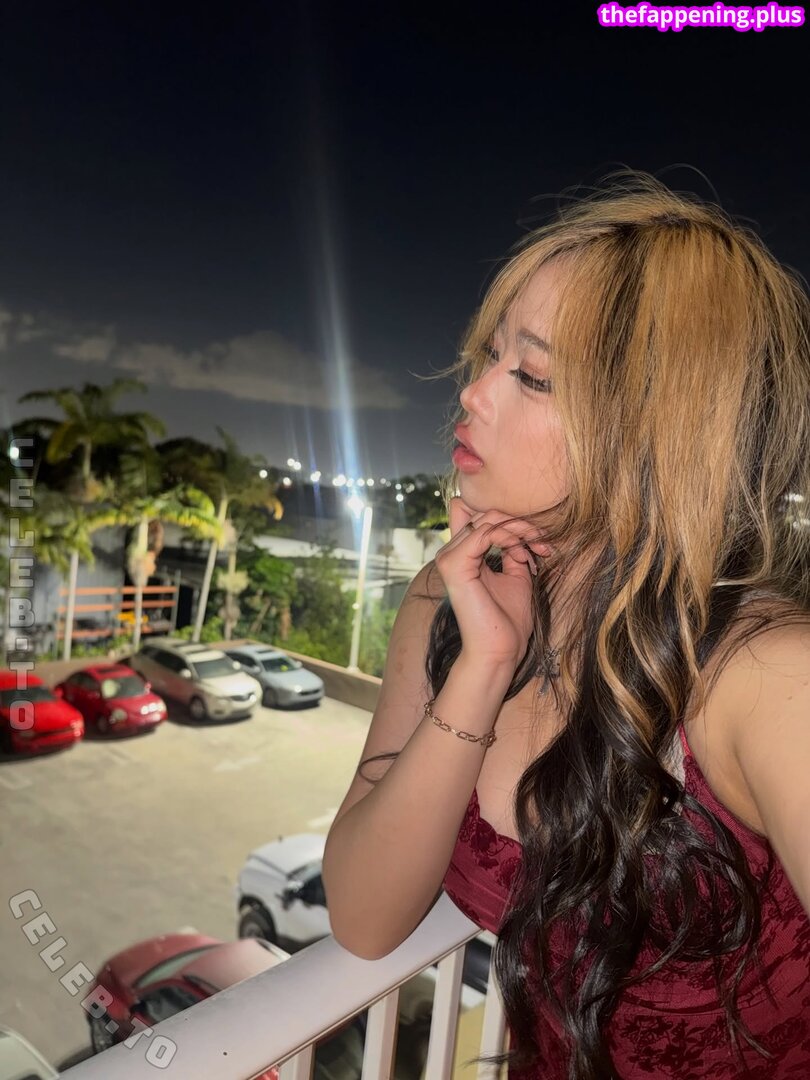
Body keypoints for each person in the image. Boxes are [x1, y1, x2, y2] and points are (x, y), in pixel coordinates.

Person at [322, 173, 810, 1079]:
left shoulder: (766, 674)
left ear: (657, 434)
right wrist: (481, 668)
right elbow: (363, 916)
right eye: (489, 355)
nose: (472, 393)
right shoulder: (448, 599)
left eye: (533, 375)